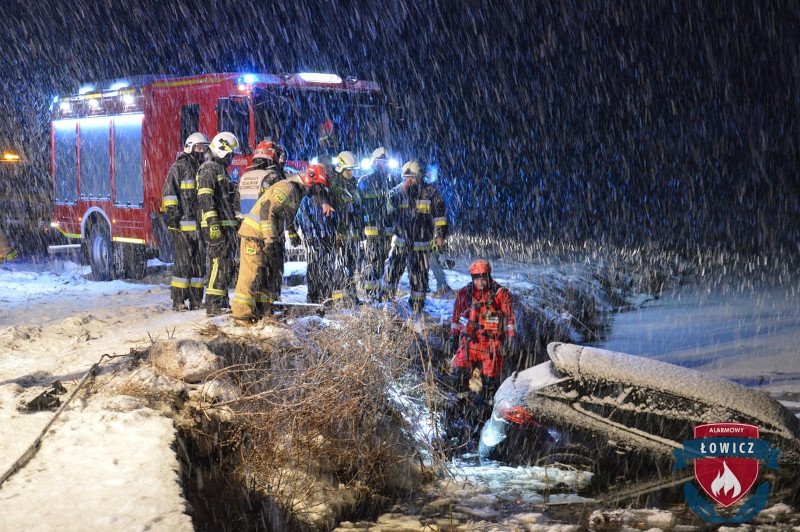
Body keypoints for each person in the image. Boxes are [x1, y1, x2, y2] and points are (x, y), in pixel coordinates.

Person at [232, 164, 333, 325]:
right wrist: (270, 239)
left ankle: (262, 312)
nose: (317, 192)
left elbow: (285, 217)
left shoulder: (297, 192)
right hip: (255, 236)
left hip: (264, 237)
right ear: (310, 180)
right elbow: (267, 211)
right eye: (318, 187)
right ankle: (241, 317)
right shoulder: (287, 188)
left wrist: (291, 234)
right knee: (251, 275)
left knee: (266, 277)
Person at [445, 259, 517, 446]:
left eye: (483, 278)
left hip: (491, 347)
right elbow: (456, 317)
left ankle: (486, 422)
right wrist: (453, 336)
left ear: (489, 276)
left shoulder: (501, 294)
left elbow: (510, 319)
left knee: (490, 388)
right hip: (469, 344)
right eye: (476, 278)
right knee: (458, 378)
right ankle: (457, 416)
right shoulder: (465, 293)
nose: (480, 282)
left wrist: (511, 338)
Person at [381, 160, 447, 314]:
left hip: (421, 242)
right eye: (406, 178)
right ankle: (387, 300)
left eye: (411, 178)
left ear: (419, 177)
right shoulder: (398, 191)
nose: (408, 181)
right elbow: (388, 207)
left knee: (419, 275)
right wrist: (401, 192)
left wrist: (440, 235)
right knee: (392, 271)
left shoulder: (431, 192)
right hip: (401, 241)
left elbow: (440, 217)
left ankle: (417, 306)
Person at [161, 132, 210, 311]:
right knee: (183, 264)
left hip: (200, 226)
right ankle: (178, 300)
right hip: (182, 225)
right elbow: (169, 194)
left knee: (198, 264)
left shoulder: (203, 169)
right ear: (190, 148)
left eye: (204, 148)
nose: (202, 151)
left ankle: (196, 299)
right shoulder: (178, 168)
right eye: (199, 147)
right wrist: (173, 216)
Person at [197, 132, 241, 316]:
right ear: (223, 150)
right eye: (231, 154)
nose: (232, 158)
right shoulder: (209, 168)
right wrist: (213, 222)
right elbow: (205, 197)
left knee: (225, 264)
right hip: (217, 224)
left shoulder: (220, 169)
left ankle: (221, 303)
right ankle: (213, 305)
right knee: (220, 262)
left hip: (225, 224)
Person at [357, 147, 395, 300]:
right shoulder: (364, 181)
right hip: (371, 229)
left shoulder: (392, 181)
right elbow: (358, 205)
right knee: (372, 260)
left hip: (387, 229)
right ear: (373, 162)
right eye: (379, 161)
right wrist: (361, 225)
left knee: (384, 261)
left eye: (384, 162)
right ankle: (370, 292)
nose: (382, 164)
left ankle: (381, 291)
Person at [329, 151, 363, 304]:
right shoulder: (334, 186)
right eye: (348, 169)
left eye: (352, 169)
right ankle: (338, 299)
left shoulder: (353, 184)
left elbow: (357, 208)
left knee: (351, 266)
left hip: (352, 233)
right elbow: (333, 212)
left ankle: (351, 296)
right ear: (340, 168)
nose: (351, 172)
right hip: (340, 234)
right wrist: (335, 232)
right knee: (340, 267)